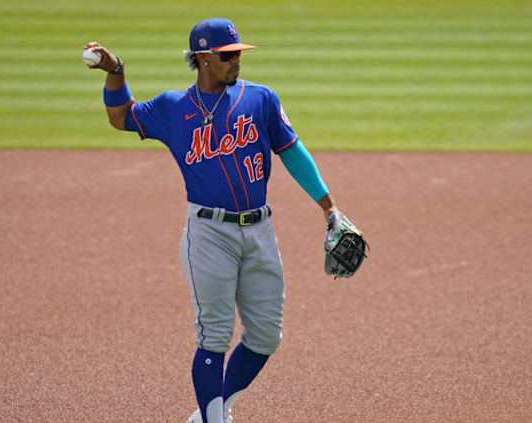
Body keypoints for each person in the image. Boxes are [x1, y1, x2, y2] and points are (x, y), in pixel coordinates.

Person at [84, 17, 340, 423]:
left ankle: (211, 414)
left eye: (238, 53)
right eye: (227, 55)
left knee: (265, 338)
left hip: (260, 230)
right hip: (208, 234)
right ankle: (213, 419)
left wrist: (328, 207)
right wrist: (116, 72)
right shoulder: (174, 108)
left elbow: (292, 151)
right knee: (215, 337)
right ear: (203, 58)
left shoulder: (261, 99)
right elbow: (121, 117)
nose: (236, 60)